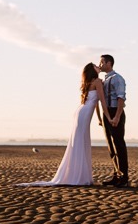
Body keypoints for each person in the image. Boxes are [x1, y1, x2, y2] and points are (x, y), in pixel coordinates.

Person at [18, 63, 112, 186]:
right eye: (95, 65)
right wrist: (108, 117)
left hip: (81, 112)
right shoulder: (98, 81)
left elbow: (96, 104)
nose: (97, 65)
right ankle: (79, 177)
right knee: (81, 143)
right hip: (83, 114)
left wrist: (99, 118)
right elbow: (102, 101)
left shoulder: (91, 82)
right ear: (92, 70)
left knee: (80, 143)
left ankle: (79, 175)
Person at [98, 54, 129, 187]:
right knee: (111, 146)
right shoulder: (104, 80)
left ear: (109, 63)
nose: (100, 65)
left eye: (102, 62)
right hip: (107, 113)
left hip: (115, 111)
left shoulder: (117, 78)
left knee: (119, 145)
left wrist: (116, 116)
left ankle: (124, 177)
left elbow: (121, 98)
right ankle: (116, 175)